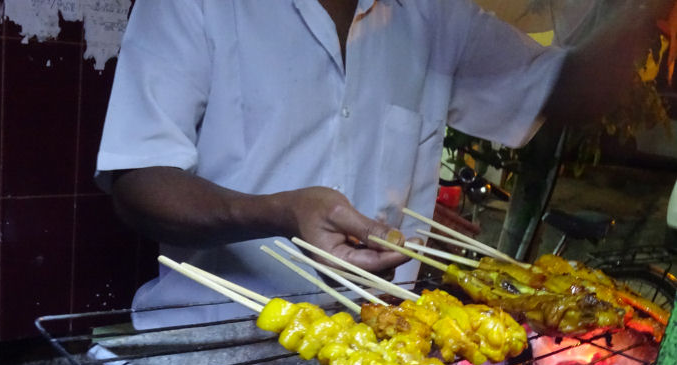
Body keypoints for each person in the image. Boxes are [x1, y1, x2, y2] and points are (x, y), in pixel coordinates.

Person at [96, 0, 673, 328]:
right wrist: (281, 213)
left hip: (374, 348)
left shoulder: (432, 17)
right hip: (211, 345)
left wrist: (649, 7)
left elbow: (568, 89)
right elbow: (139, 181)